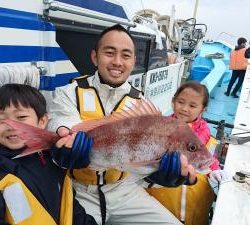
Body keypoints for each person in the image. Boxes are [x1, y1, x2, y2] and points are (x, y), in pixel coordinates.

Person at [48, 24, 197, 225]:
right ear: (95, 57)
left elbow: (139, 168)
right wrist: (62, 146)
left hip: (125, 190)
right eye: (109, 53)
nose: (117, 62)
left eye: (126, 55)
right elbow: (61, 122)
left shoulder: (141, 103)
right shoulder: (69, 92)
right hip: (79, 190)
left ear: (134, 61)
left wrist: (157, 177)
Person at [0, 83, 98, 225]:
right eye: (2, 119)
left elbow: (70, 207)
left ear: (42, 121)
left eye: (21, 117)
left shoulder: (52, 159)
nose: (11, 126)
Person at [146, 81, 226, 225]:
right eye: (180, 102)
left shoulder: (207, 135)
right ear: (173, 101)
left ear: (203, 109)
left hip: (196, 206)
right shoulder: (159, 129)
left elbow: (210, 159)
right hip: (162, 201)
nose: (184, 108)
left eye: (192, 105)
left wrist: (214, 171)